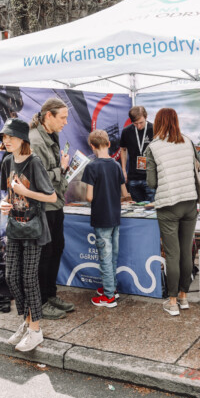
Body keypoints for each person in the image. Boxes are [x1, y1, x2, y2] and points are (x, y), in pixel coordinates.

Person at [0, 118, 57, 352]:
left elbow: (51, 197)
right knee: (12, 276)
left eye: (10, 136)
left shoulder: (34, 163)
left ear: (22, 138)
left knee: (29, 278)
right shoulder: (6, 162)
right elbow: (8, 195)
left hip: (33, 228)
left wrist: (25, 191)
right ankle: (26, 322)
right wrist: (5, 203)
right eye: (4, 136)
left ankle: (35, 329)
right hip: (14, 227)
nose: (6, 140)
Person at [145, 108, 198, 316]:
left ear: (157, 123)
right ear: (176, 121)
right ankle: (184, 297)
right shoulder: (187, 142)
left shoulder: (154, 147)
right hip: (190, 202)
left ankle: (173, 301)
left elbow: (151, 182)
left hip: (168, 204)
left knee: (172, 254)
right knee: (187, 252)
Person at [28, 98, 74, 320]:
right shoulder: (35, 140)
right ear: (49, 116)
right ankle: (41, 302)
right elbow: (36, 177)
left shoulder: (50, 135)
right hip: (43, 207)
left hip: (55, 203)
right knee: (44, 255)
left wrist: (62, 171)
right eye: (63, 117)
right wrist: (61, 169)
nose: (66, 122)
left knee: (56, 250)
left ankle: (50, 295)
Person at [81, 130, 127, 308]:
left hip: (101, 217)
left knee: (104, 257)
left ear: (92, 146)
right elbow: (124, 193)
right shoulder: (116, 165)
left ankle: (109, 296)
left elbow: (90, 197)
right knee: (113, 255)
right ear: (108, 144)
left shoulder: (91, 167)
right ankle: (111, 287)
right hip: (115, 216)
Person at [119, 106, 155, 203]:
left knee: (151, 209)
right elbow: (123, 149)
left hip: (150, 177)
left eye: (141, 123)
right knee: (137, 209)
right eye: (135, 123)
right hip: (133, 178)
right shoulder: (126, 131)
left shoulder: (154, 129)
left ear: (146, 117)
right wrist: (123, 169)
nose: (138, 126)